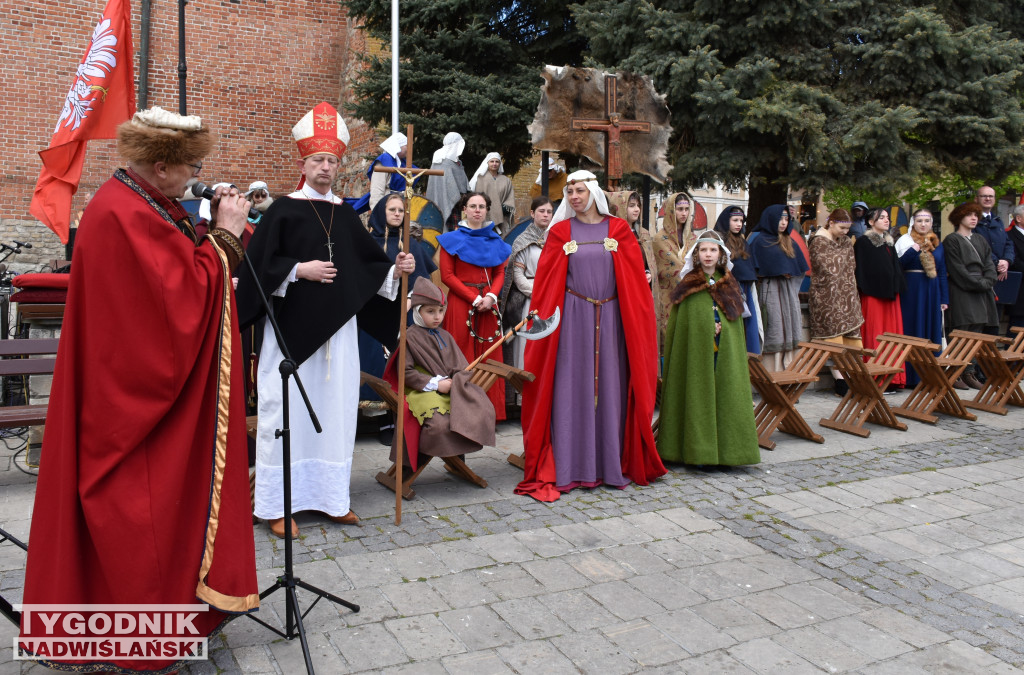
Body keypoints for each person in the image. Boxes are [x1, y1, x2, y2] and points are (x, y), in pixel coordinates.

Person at [19, 106, 259, 673]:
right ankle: (131, 634)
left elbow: (173, 264)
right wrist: (223, 237)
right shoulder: (122, 214)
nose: (196, 173)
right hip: (125, 402)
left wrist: (203, 227)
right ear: (160, 166)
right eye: (190, 166)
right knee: (138, 511)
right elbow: (173, 308)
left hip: (119, 390)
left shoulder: (141, 202)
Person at [237, 102, 415, 538]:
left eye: (332, 160)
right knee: (289, 419)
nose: (325, 167)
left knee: (335, 417)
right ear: (303, 163)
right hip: (291, 338)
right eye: (317, 159)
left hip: (340, 337)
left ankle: (332, 499)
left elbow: (367, 270)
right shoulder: (283, 210)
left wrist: (397, 269)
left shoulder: (344, 214)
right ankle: (277, 507)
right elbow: (254, 269)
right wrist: (300, 270)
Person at [516, 170, 665, 501]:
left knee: (611, 389)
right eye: (569, 192)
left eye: (579, 191)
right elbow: (546, 284)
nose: (573, 197)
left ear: (593, 193)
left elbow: (634, 283)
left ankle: (610, 464)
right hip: (572, 321)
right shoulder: (559, 232)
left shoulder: (619, 230)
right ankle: (570, 466)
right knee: (572, 388)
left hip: (612, 320)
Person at [657, 230, 760, 466]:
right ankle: (697, 452)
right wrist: (704, 327)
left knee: (724, 394)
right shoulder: (688, 285)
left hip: (722, 353)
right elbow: (684, 324)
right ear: (696, 254)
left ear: (721, 254)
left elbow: (735, 322)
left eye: (713, 250)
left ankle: (727, 453)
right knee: (697, 394)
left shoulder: (730, 284)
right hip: (696, 356)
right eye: (703, 250)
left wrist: (721, 327)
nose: (708, 255)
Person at [384, 277, 496, 469]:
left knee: (478, 410)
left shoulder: (446, 336)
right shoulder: (409, 337)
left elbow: (460, 366)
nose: (437, 317)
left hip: (451, 389)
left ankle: (457, 462)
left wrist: (458, 378)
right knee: (439, 425)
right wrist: (436, 384)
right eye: (430, 312)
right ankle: (414, 465)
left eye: (441, 311)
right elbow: (406, 373)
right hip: (420, 391)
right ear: (418, 312)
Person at [360, 193, 439, 443]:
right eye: (392, 209)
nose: (397, 214)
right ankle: (380, 420)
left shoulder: (411, 243)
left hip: (406, 313)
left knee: (401, 364)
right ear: (381, 212)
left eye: (401, 210)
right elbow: (363, 276)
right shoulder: (368, 242)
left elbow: (422, 278)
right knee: (376, 364)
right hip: (374, 313)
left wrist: (409, 300)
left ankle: (399, 419)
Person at [437, 192, 512, 421]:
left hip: (489, 305)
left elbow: (499, 272)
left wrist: (490, 297)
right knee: (461, 353)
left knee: (489, 357)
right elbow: (447, 276)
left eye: (481, 206)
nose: (477, 210)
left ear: (487, 210)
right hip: (462, 303)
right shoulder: (451, 239)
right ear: (465, 210)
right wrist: (474, 298)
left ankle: (488, 412)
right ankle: (459, 411)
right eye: (473, 206)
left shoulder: (495, 241)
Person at [943, 201, 998, 389]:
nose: (974, 218)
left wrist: (988, 281)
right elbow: (957, 268)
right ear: (959, 218)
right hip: (962, 290)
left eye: (976, 215)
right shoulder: (952, 240)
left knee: (976, 333)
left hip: (981, 291)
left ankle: (969, 372)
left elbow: (989, 263)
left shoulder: (980, 240)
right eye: (969, 215)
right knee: (960, 331)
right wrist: (979, 283)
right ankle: (954, 372)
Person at [808, 209, 863, 394]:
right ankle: (840, 381)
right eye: (842, 227)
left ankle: (853, 375)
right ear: (830, 223)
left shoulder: (847, 241)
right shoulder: (818, 241)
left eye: (848, 229)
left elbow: (851, 265)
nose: (845, 232)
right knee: (832, 338)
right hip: (826, 296)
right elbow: (825, 267)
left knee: (850, 338)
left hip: (847, 294)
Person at [500, 196, 553, 384]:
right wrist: (540, 293)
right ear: (532, 213)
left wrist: (552, 293)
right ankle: (525, 395)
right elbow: (518, 276)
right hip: (531, 301)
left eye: (549, 212)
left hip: (553, 300)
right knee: (527, 346)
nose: (546, 215)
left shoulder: (556, 240)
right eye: (541, 211)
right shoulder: (523, 240)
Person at [749, 204, 808, 371]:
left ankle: (790, 372)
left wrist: (790, 274)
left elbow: (800, 268)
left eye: (786, 219)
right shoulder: (759, 242)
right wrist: (772, 273)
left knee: (791, 326)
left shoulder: (790, 241)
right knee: (774, 327)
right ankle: (772, 373)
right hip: (770, 291)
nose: (783, 222)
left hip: (788, 292)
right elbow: (754, 269)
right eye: (780, 218)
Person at [895, 208, 949, 387]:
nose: (923, 224)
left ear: (932, 223)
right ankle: (911, 377)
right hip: (912, 290)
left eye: (927, 221)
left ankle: (929, 376)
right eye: (919, 221)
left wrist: (944, 298)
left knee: (930, 330)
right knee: (913, 329)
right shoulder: (905, 240)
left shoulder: (937, 243)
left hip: (932, 292)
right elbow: (897, 266)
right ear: (913, 222)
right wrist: (913, 250)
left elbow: (941, 272)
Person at [854, 207, 907, 388]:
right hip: (873, 295)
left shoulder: (889, 243)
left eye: (887, 218)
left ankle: (892, 376)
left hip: (890, 297)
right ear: (871, 221)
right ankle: (875, 377)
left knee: (891, 334)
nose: (886, 220)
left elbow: (895, 270)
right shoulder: (863, 242)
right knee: (875, 334)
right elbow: (861, 271)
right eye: (881, 217)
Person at [714, 205, 762, 353]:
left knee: (747, 328)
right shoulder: (719, 241)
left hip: (744, 290)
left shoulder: (743, 243)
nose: (739, 224)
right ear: (726, 221)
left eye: (741, 221)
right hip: (726, 291)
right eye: (735, 220)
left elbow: (749, 268)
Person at [653, 191, 695, 341]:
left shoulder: (693, 238)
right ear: (671, 210)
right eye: (679, 209)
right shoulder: (659, 239)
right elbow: (666, 269)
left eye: (686, 209)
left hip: (692, 295)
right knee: (670, 335)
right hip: (668, 295)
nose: (683, 213)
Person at [607, 189, 655, 286]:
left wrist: (648, 272)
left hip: (642, 286)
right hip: (622, 287)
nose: (637, 209)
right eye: (632, 206)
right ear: (620, 207)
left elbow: (648, 262)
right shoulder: (611, 235)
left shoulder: (644, 234)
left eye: (638, 205)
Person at [426, 131, 469, 226]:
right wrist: (458, 197)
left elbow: (463, 182)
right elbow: (448, 185)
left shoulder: (457, 162)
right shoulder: (442, 161)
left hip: (460, 204)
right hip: (450, 202)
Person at [364, 131, 410, 213]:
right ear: (398, 146)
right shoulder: (384, 160)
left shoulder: (404, 163)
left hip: (401, 207)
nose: (408, 149)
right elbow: (377, 190)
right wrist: (378, 214)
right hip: (387, 205)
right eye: (406, 146)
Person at [468, 152, 515, 233]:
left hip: (501, 218)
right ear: (487, 163)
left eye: (497, 161)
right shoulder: (479, 179)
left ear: (500, 164)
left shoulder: (506, 180)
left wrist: (503, 208)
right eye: (492, 161)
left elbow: (510, 197)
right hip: (483, 216)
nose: (494, 164)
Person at [976, 185, 1013, 282]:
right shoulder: (972, 221)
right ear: (976, 199)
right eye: (984, 196)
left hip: (1000, 273)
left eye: (991, 196)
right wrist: (997, 263)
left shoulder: (998, 220)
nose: (988, 199)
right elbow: (977, 246)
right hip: (981, 274)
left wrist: (1006, 261)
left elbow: (1008, 243)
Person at [1006, 204, 1024, 334]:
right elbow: (1015, 262)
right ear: (1019, 218)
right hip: (1020, 293)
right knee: (1016, 332)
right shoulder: (1010, 236)